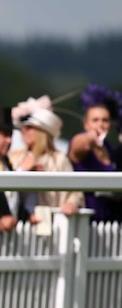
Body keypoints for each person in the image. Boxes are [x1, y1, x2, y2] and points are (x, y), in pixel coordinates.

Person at [9, 108, 83, 223]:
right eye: (23, 128)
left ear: (41, 132)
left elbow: (75, 192)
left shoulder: (58, 159)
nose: (24, 131)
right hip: (19, 222)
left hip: (48, 222)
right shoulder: (15, 156)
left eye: (29, 128)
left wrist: (71, 203)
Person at [69, 84, 121, 223]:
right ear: (86, 124)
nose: (100, 124)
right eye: (95, 120)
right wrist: (91, 136)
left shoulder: (108, 148)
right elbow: (78, 146)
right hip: (86, 219)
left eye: (105, 120)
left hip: (109, 220)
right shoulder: (82, 141)